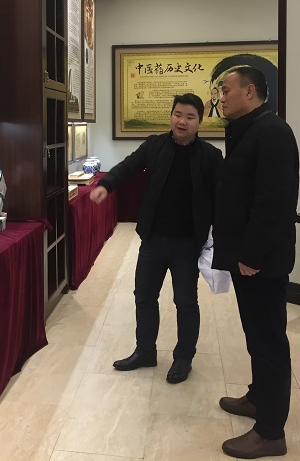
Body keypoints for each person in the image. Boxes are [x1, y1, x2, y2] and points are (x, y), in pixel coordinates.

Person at [90, 93, 223, 383]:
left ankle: (184, 358)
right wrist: (106, 184)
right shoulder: (154, 145)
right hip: (152, 240)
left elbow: (222, 199)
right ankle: (145, 352)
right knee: (144, 296)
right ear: (171, 116)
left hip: (187, 243)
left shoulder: (211, 157)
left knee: (185, 301)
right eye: (178, 114)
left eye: (190, 117)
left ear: (200, 122)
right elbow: (127, 166)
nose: (182, 121)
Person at [212, 67, 299, 459]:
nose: (220, 96)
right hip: (247, 259)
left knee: (269, 342)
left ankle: (270, 432)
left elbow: (273, 202)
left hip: (260, 262)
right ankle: (259, 398)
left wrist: (251, 255)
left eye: (225, 89)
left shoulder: (273, 132)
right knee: (256, 335)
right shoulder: (248, 130)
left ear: (250, 91)